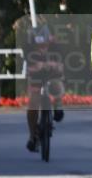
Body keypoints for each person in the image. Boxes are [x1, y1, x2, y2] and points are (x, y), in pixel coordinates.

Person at [23, 24, 65, 152]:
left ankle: (58, 105)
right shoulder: (28, 47)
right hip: (35, 74)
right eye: (39, 45)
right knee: (33, 103)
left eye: (45, 44)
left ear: (49, 40)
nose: (42, 48)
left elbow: (61, 66)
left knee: (57, 83)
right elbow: (29, 66)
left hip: (53, 73)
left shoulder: (56, 46)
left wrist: (53, 65)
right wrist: (38, 66)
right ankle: (32, 136)